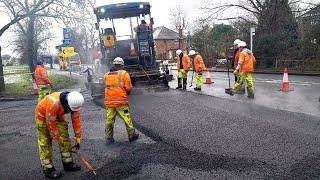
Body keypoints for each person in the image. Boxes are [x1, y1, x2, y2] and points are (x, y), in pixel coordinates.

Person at [35, 91, 84, 178]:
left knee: (65, 138)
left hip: (58, 116)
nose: (71, 111)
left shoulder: (74, 102)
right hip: (43, 117)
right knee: (45, 142)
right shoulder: (53, 103)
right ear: (66, 103)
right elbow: (51, 126)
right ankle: (48, 169)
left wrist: (78, 137)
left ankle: (68, 163)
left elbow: (76, 120)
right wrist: (58, 138)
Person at [104, 57, 139, 144]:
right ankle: (132, 135)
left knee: (109, 120)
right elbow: (128, 87)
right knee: (127, 119)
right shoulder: (124, 74)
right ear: (122, 65)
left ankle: (109, 137)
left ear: (114, 64)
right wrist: (128, 93)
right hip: (121, 102)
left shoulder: (106, 75)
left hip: (109, 103)